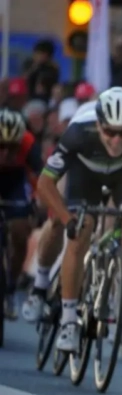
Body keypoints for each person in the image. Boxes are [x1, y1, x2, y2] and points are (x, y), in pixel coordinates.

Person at [36, 87, 122, 352]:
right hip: (84, 175)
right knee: (81, 230)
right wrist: (67, 219)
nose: (116, 139)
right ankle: (68, 321)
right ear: (98, 124)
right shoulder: (79, 131)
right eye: (109, 131)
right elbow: (45, 183)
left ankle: (120, 284)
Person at [0, 109, 42, 317]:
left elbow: (42, 177)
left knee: (20, 230)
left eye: (12, 147)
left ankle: (9, 288)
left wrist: (38, 201)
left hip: (16, 183)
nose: (7, 153)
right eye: (1, 147)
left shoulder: (29, 143)